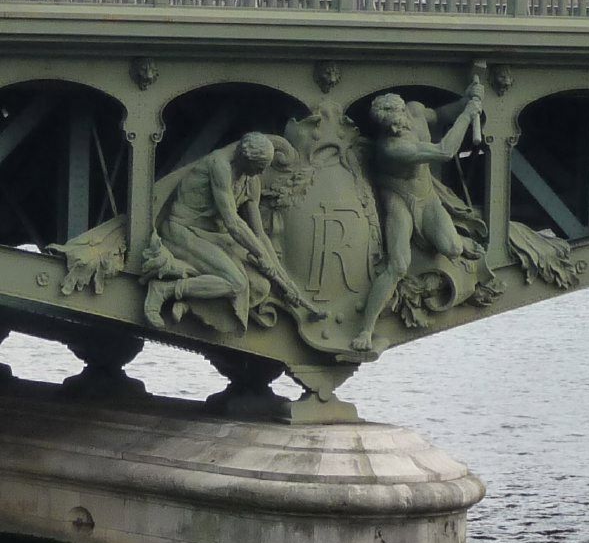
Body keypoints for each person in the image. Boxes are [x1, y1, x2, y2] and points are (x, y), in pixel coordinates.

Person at [351, 81, 485, 351]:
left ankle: (462, 241)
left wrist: (466, 100)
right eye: (388, 127)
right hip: (398, 197)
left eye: (397, 123)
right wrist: (468, 115)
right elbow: (445, 151)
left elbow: (443, 115)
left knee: (452, 247)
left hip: (427, 196)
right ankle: (366, 329)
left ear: (403, 111)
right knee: (398, 265)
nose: (394, 129)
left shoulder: (416, 111)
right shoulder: (391, 147)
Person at [142, 132, 318, 331]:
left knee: (261, 286)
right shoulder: (219, 165)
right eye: (258, 168)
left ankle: (195, 301)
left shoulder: (250, 179)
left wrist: (284, 279)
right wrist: (261, 256)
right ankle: (164, 290)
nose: (259, 174)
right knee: (237, 283)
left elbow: (258, 233)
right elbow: (233, 222)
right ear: (245, 158)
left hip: (212, 236)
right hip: (182, 231)